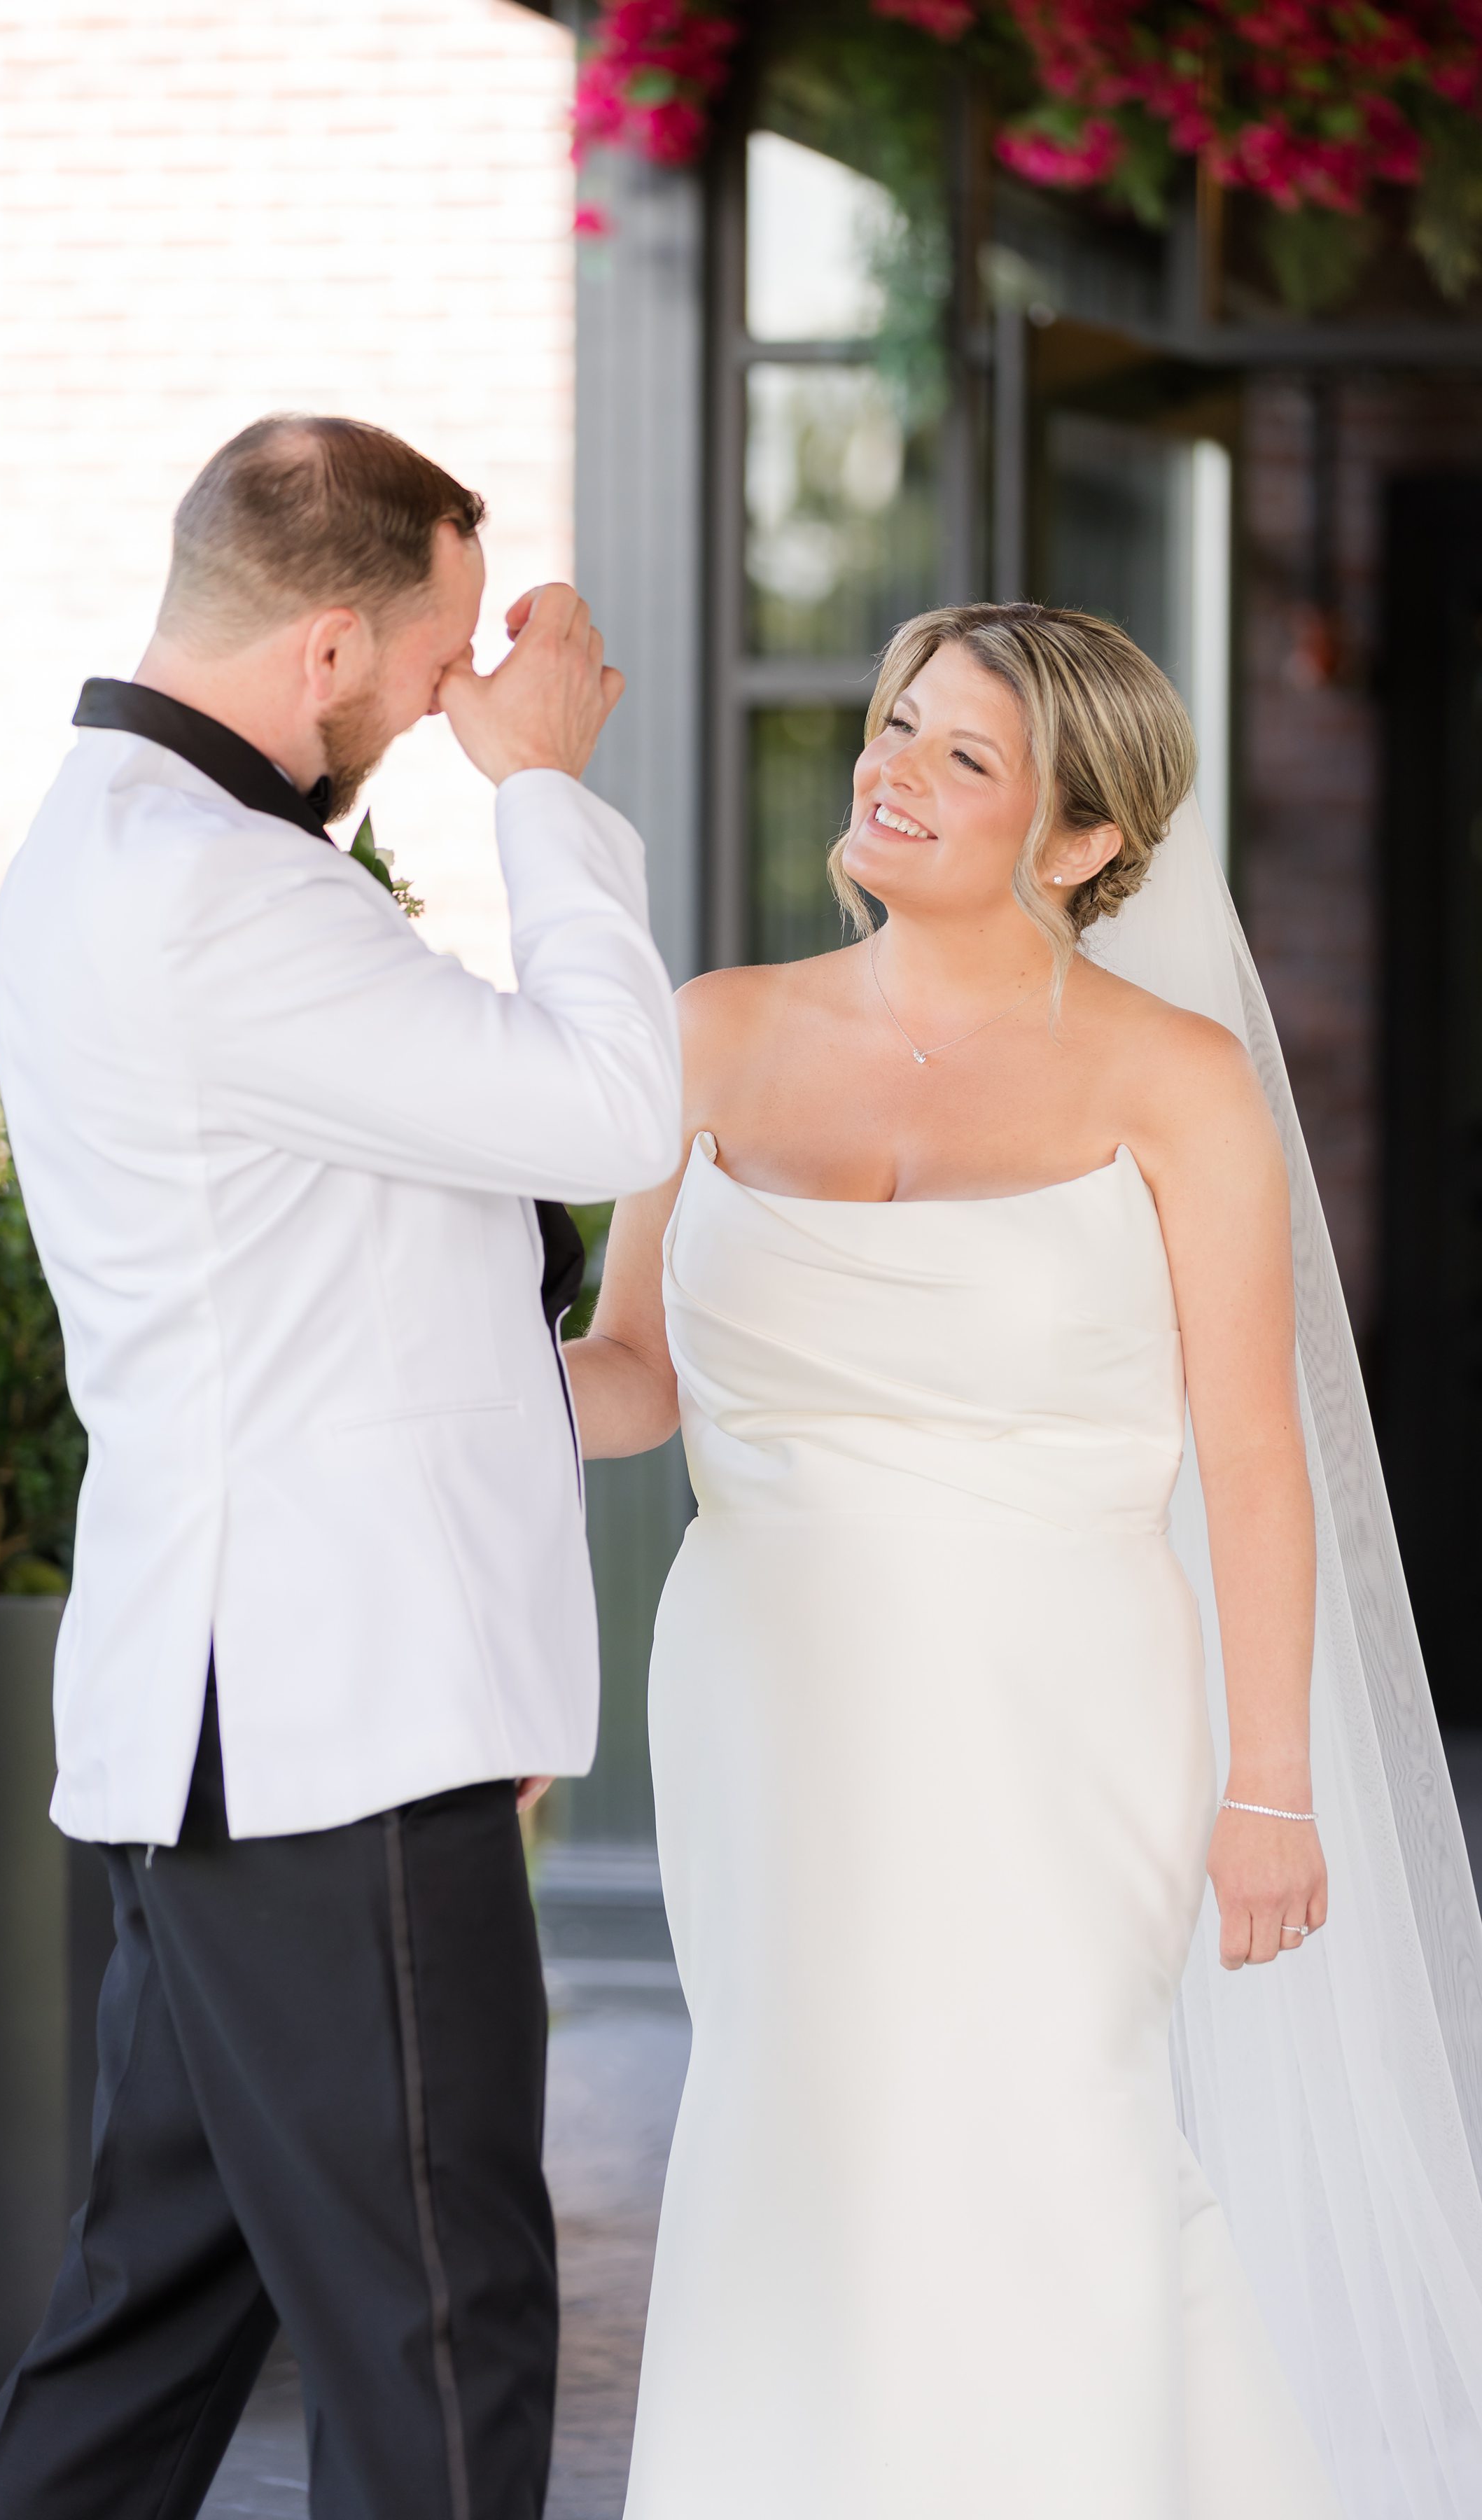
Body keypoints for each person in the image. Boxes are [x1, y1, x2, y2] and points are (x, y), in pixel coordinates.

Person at [568, 601, 1482, 2519]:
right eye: (897, 725)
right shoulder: (711, 1030)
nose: (891, 772)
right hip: (766, 1688)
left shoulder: (1176, 1081)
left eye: (962, 756)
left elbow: (1253, 1452)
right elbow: (634, 1373)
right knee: (792, 2123)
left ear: (1082, 841)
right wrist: (427, 1374)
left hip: (1067, 1705)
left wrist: (1271, 1787)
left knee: (1050, 2122)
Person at [0, 414, 681, 2520]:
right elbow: (607, 1111)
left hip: (240, 1726)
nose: (463, 704)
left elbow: (329, 1282)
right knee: (443, 2334)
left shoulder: (118, 846)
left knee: (151, 2322)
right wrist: (546, 789)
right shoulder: (217, 890)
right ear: (334, 647)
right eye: (447, 665)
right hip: (323, 1733)